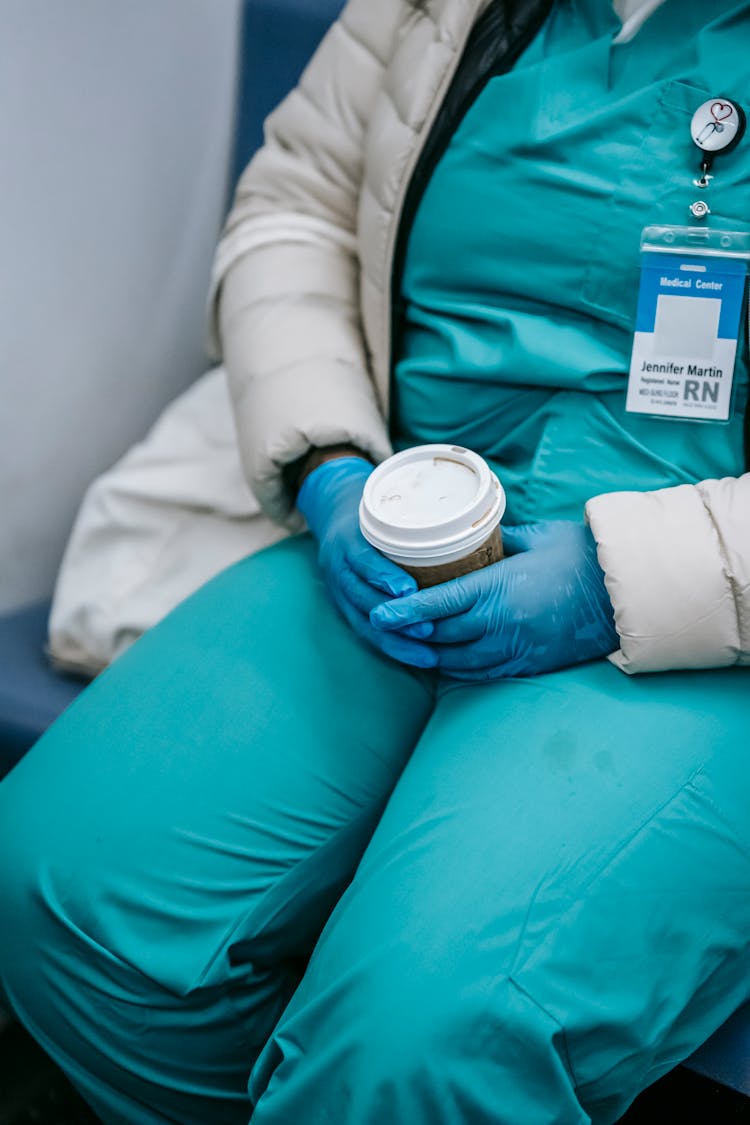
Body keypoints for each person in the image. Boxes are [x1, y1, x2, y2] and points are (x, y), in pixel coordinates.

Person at [1, 0, 749, 1122]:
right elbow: (296, 210)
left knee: (422, 1038)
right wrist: (331, 466)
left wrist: (612, 579)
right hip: (404, 528)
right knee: (61, 891)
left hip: (703, 616)